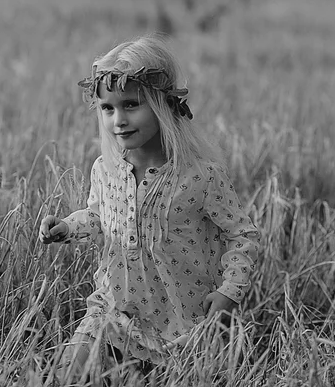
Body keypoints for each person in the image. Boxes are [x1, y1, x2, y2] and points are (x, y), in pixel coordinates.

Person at [39, 34, 261, 382]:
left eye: (131, 104)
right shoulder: (105, 169)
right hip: (113, 311)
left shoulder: (200, 176)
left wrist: (228, 291)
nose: (118, 120)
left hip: (181, 324)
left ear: (162, 105)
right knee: (65, 376)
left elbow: (242, 236)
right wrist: (67, 227)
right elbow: (100, 217)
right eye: (108, 108)